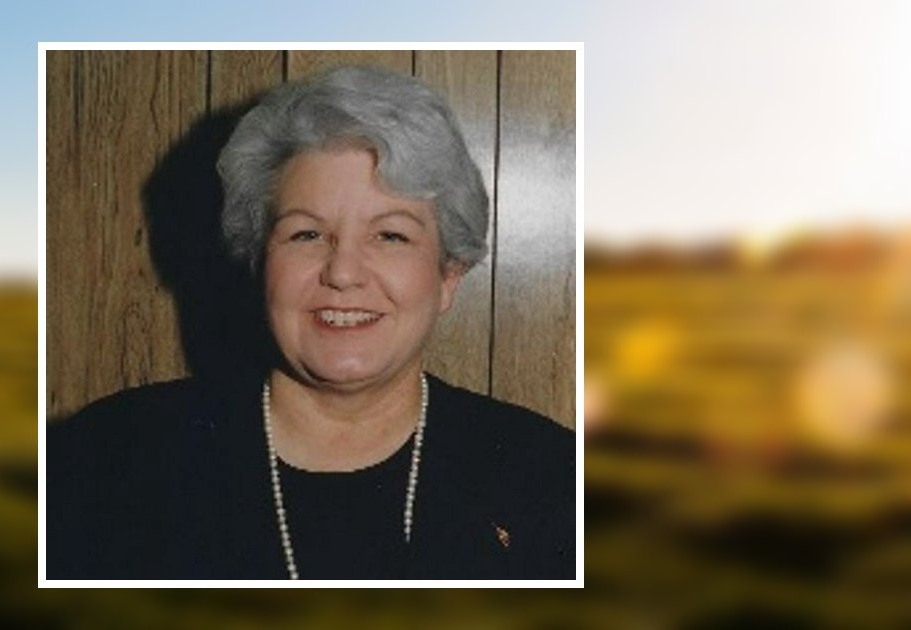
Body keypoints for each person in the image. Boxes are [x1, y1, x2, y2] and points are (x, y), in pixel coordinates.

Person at [47, 65, 574, 580]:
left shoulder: (551, 479)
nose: (342, 273)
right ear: (259, 262)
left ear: (448, 276)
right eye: (306, 234)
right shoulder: (107, 459)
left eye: (390, 236)